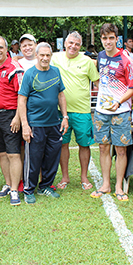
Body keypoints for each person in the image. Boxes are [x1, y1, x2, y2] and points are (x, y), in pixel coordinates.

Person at [91, 23, 133, 201]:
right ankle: (105, 184)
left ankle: (118, 186)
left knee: (121, 150)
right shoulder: (100, 56)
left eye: (111, 38)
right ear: (101, 40)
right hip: (101, 112)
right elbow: (99, 79)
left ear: (117, 39)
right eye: (104, 38)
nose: (108, 41)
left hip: (121, 111)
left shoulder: (126, 59)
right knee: (103, 148)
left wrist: (118, 101)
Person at [18, 43, 69, 204]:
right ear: (37, 55)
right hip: (35, 124)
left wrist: (65, 117)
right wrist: (25, 125)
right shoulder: (30, 74)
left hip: (54, 123)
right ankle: (28, 189)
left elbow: (61, 95)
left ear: (51, 56)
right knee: (33, 158)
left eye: (48, 55)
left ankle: (45, 186)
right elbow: (22, 100)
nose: (45, 58)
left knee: (52, 157)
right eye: (42, 55)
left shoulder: (56, 72)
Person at [51, 31, 99, 191]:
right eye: (71, 43)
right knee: (62, 144)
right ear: (65, 43)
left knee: (84, 145)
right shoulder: (55, 58)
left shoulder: (87, 62)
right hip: (60, 112)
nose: (73, 46)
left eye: (77, 44)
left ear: (80, 46)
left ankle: (84, 177)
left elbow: (97, 83)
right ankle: (65, 177)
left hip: (83, 112)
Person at [0, 36, 24, 206]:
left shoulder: (14, 67)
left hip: (10, 115)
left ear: (6, 49)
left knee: (13, 153)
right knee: (2, 153)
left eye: (0, 47)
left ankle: (15, 191)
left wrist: (18, 117)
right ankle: (9, 184)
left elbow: (22, 95)